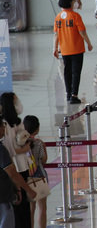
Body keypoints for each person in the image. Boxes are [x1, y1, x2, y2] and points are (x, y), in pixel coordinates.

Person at [53, 0, 93, 104]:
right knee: (76, 72)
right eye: (74, 1)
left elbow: (56, 35)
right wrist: (89, 43)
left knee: (67, 71)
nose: (75, 2)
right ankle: (74, 95)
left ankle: (68, 93)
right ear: (70, 2)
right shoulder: (75, 16)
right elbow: (82, 32)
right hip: (77, 49)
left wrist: (55, 48)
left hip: (65, 50)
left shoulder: (58, 17)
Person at [1, 92, 33, 228]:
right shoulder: (4, 124)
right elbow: (8, 150)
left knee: (24, 207)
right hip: (13, 169)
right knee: (15, 208)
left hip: (22, 166)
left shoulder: (18, 122)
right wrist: (23, 150)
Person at [23, 115, 48, 228]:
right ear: (37, 129)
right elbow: (43, 160)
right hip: (39, 176)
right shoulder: (39, 143)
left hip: (26, 176)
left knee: (30, 209)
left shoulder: (21, 143)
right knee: (42, 208)